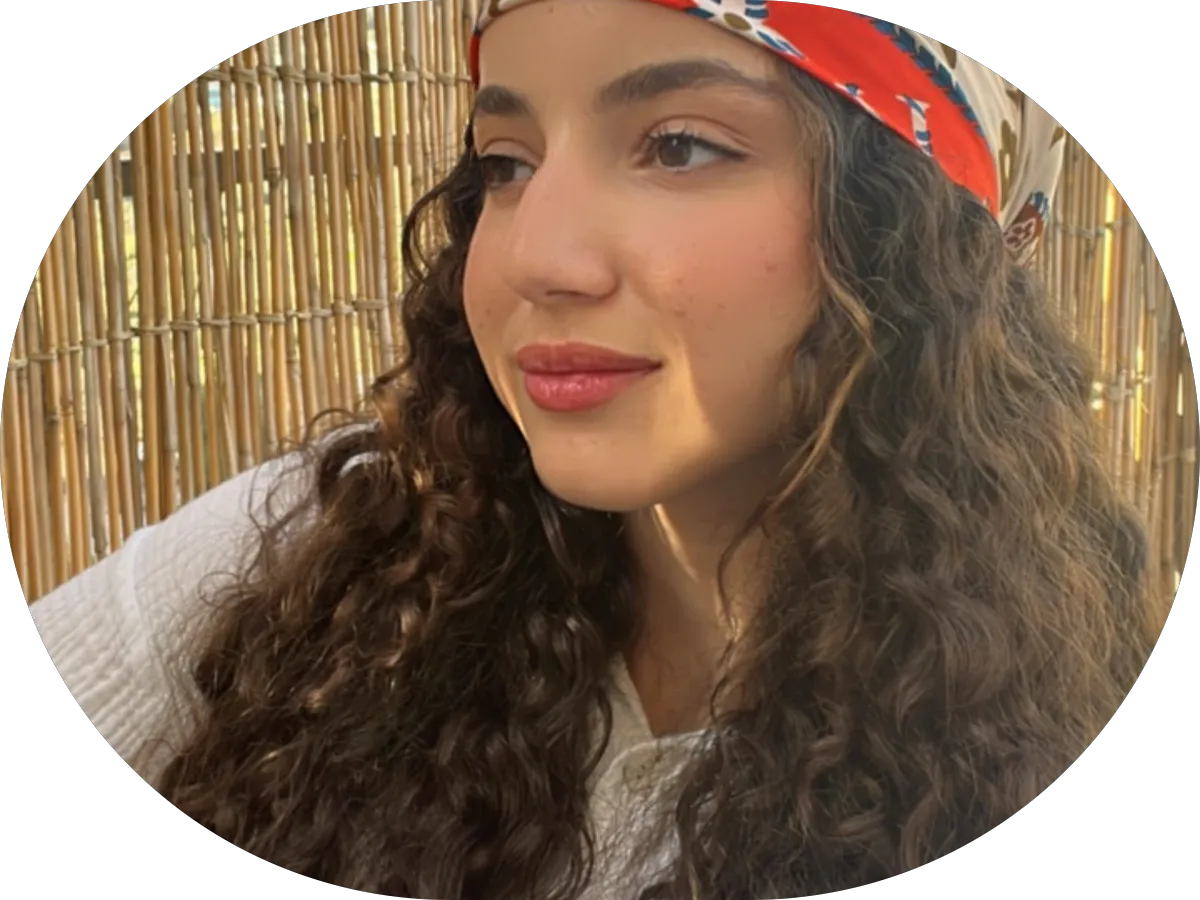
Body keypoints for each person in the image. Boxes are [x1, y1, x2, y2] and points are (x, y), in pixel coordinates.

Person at [28, 2, 1156, 898]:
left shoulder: (1038, 740)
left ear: (912, 237)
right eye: (506, 163)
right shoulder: (336, 543)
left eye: (680, 146)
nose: (536, 256)